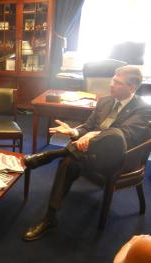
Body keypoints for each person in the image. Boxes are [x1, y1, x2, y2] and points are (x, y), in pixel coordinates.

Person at [22, 65, 151, 241]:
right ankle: (50, 218)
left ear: (132, 87)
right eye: (113, 79)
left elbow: (125, 135)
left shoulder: (143, 108)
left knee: (115, 134)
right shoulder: (105, 101)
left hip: (117, 157)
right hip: (86, 152)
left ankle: (53, 154)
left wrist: (91, 137)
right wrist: (74, 132)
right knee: (69, 162)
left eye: (117, 82)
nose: (111, 84)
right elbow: (87, 126)